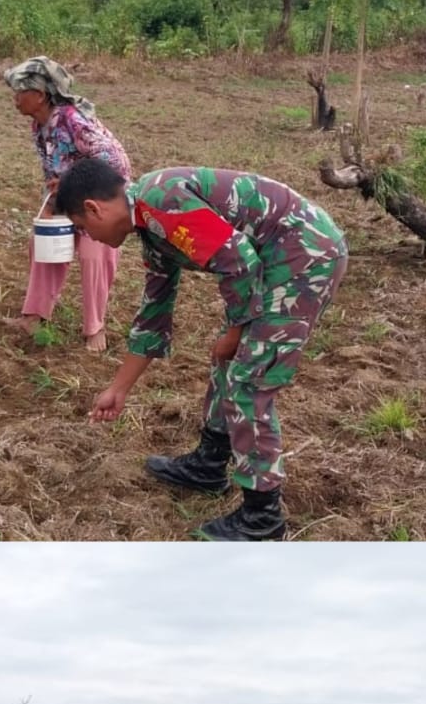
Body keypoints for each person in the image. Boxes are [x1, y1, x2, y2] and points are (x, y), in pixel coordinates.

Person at [54, 160, 349, 541]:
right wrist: (119, 388)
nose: (88, 237)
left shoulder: (162, 201)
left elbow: (240, 261)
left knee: (250, 381)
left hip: (304, 256)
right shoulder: (148, 223)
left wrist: (237, 328)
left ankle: (263, 519)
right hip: (272, 262)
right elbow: (154, 311)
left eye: (82, 228)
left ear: (94, 208)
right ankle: (210, 463)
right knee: (229, 359)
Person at [2, 56, 133, 352]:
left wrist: (73, 180)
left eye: (20, 91)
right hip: (68, 197)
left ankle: (94, 327)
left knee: (93, 255)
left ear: (40, 95)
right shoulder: (40, 126)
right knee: (43, 243)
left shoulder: (75, 120)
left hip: (98, 199)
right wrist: (52, 200)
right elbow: (54, 167)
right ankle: (34, 315)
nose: (15, 98)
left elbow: (115, 161)